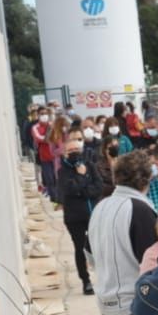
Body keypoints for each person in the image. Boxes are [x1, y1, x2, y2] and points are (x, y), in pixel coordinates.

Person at [88, 150, 158, 315]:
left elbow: (89, 252)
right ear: (146, 180)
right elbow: (151, 260)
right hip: (134, 304)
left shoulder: (101, 207)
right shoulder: (140, 209)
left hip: (108, 301)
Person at [56, 126, 105, 295]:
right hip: (74, 217)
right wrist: (82, 178)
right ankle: (85, 280)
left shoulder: (90, 165)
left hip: (93, 214)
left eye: (77, 149)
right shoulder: (63, 172)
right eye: (71, 150)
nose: (75, 152)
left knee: (97, 246)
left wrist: (83, 189)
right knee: (80, 248)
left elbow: (98, 187)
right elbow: (70, 190)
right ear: (65, 153)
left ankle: (104, 277)